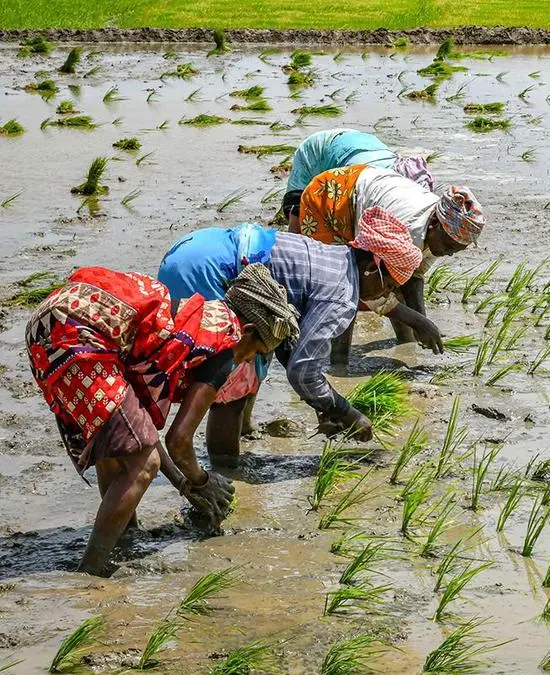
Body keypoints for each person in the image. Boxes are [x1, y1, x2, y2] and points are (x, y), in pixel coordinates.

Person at [26, 264, 298, 576]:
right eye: (257, 351)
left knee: (120, 445)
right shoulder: (223, 345)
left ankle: (125, 537)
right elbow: (178, 441)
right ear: (247, 332)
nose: (249, 360)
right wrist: (202, 482)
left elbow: (143, 437)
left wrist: (184, 485)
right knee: (143, 466)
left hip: (49, 322)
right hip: (80, 334)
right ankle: (90, 572)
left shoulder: (192, 320)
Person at [158, 217, 421, 466]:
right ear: (370, 270)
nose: (385, 294)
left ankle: (231, 441)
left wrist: (321, 405)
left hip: (193, 249)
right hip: (210, 273)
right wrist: (345, 412)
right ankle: (225, 471)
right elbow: (302, 370)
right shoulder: (341, 296)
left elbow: (289, 342)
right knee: (233, 382)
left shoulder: (337, 257)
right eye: (387, 287)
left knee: (253, 353)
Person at [295, 164, 486, 361]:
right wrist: (417, 321)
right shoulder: (408, 231)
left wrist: (421, 320)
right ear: (435, 224)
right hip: (329, 198)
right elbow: (367, 286)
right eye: (448, 247)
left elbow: (414, 275)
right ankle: (338, 361)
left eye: (455, 250)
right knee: (345, 286)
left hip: (367, 190)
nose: (449, 254)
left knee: (394, 280)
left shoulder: (443, 232)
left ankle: (406, 345)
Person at [281, 128, 434, 229]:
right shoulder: (364, 186)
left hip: (363, 144)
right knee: (298, 213)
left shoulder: (413, 194)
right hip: (321, 148)